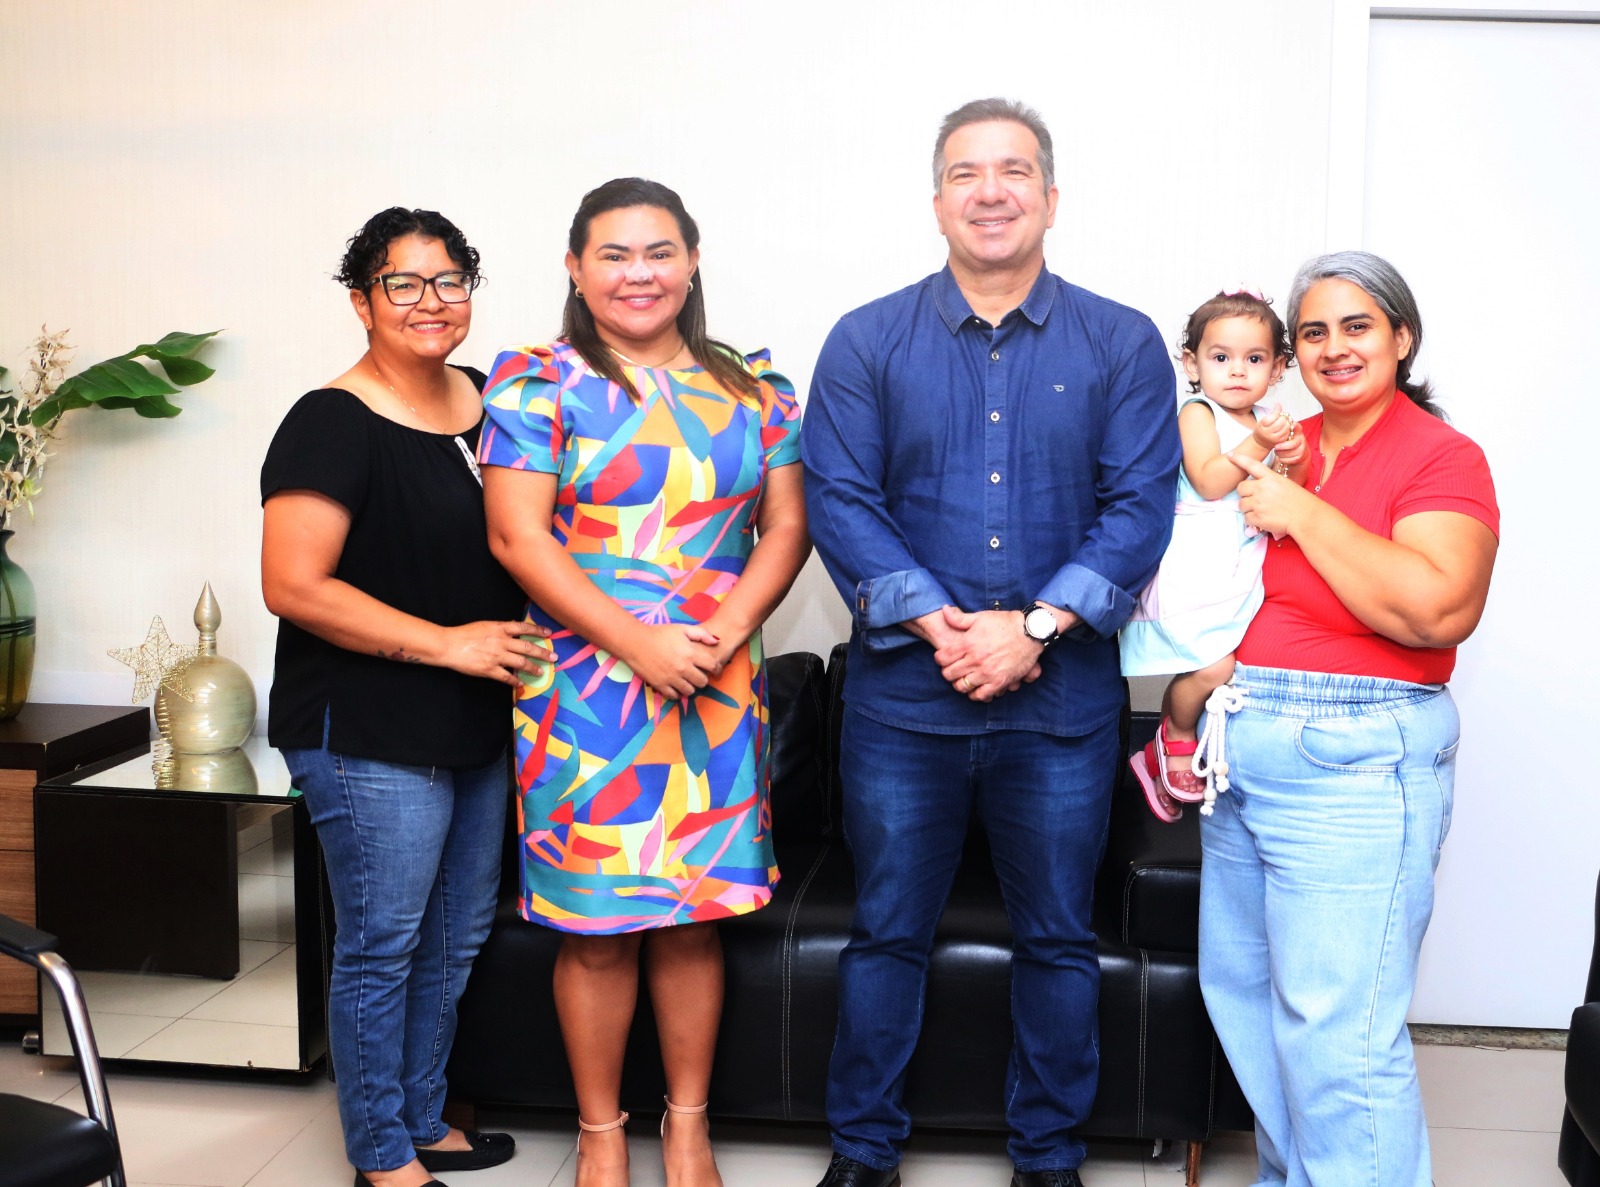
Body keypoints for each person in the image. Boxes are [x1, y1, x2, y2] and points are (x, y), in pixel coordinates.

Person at [800, 98, 1181, 1187]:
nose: (991, 190)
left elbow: (1137, 505)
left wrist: (1034, 628)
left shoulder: (1120, 341)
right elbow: (840, 498)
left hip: (1058, 705)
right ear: (936, 202)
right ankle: (863, 1153)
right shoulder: (867, 338)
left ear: (1050, 198)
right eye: (966, 173)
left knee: (1058, 936)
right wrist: (943, 625)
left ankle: (1047, 1156)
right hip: (900, 705)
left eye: (1014, 170)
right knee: (885, 933)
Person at [478, 177, 809, 1187]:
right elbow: (516, 536)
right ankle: (601, 1130)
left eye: (657, 251)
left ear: (692, 260)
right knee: (597, 928)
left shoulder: (754, 384)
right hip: (583, 694)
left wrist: (718, 633)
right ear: (576, 268)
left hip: (711, 683)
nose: (638, 273)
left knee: (691, 918)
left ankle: (688, 1126)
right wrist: (639, 644)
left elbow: (786, 527)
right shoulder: (537, 382)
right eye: (613, 254)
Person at [261, 208, 552, 1187]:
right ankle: (379, 1147)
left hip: (475, 715)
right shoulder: (329, 419)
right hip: (367, 726)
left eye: (450, 280)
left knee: (456, 930)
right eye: (404, 283)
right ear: (361, 300)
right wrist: (450, 644)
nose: (432, 302)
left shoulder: (492, 401)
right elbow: (294, 584)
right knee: (383, 940)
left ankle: (424, 1114)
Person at [1198, 251, 1499, 1186]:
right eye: (1314, 332)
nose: (1334, 348)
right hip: (1242, 739)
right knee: (1247, 1002)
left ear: (1402, 339)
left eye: (1358, 325)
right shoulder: (1278, 443)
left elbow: (1436, 608)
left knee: (1339, 1032)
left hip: (1356, 754)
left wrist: (1299, 511)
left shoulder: (1440, 457)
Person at [1121, 289, 1306, 821]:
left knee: (1237, 660)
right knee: (1212, 661)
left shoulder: (1268, 419)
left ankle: (1184, 742)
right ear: (1193, 364)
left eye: (1254, 359)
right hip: (1199, 559)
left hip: (1244, 558)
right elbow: (1207, 480)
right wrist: (1258, 447)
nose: (1237, 372)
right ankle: (1170, 735)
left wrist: (1292, 457)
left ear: (1277, 369)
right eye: (1220, 358)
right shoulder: (1197, 413)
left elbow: (1291, 492)